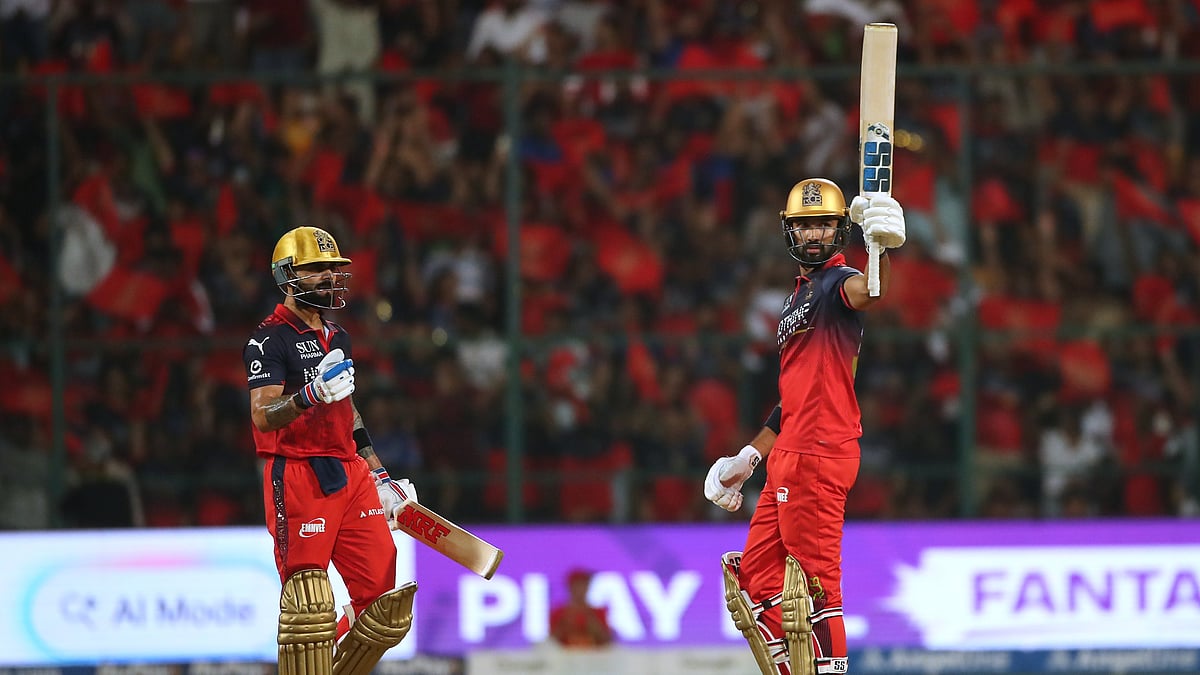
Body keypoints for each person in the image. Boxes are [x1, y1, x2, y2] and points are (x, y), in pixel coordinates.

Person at [702, 179, 905, 675]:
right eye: (804, 225)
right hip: (789, 451)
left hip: (819, 451)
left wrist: (881, 250)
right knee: (753, 583)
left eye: (824, 225)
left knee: (815, 586)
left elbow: (870, 291)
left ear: (840, 231)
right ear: (789, 231)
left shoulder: (839, 284)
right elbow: (789, 399)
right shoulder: (796, 300)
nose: (814, 234)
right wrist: (747, 458)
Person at [244, 226, 420, 674]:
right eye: (317, 269)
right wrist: (310, 394)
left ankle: (324, 655)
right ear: (288, 276)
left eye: (333, 269)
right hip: (299, 473)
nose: (329, 277)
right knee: (308, 602)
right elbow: (263, 415)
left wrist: (379, 475)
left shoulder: (337, 335)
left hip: (350, 471)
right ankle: (310, 655)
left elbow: (349, 410)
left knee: (384, 607)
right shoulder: (269, 339)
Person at [549, 568, 614, 648]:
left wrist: (593, 624)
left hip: (594, 657)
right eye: (578, 585)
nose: (581, 589)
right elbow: (550, 641)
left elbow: (608, 641)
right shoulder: (558, 612)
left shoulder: (598, 612)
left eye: (584, 584)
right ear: (570, 586)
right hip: (565, 657)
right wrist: (565, 624)